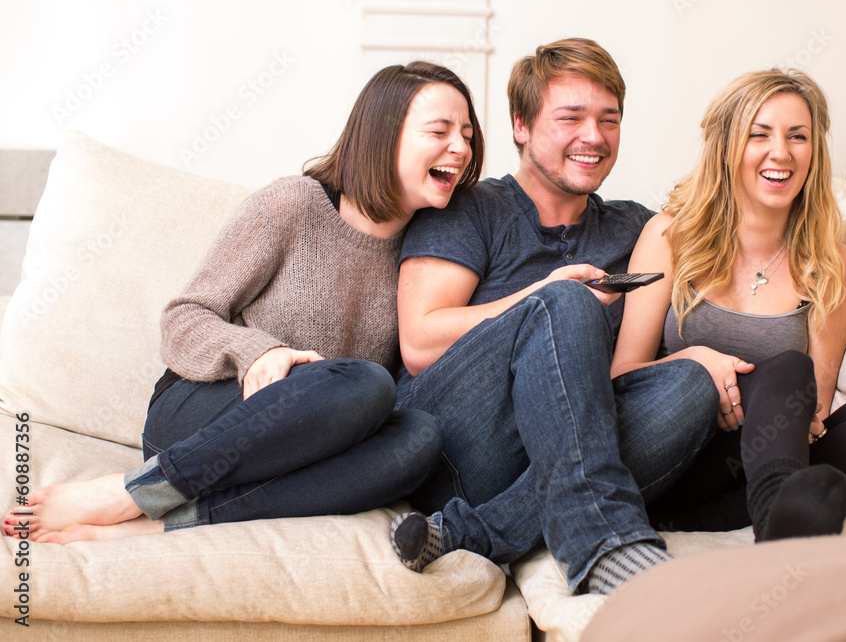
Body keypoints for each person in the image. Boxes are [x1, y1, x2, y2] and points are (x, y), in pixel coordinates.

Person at [5, 61, 485, 544]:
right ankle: (134, 491)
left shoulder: (430, 257)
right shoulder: (294, 204)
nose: (461, 148)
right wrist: (258, 351)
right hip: (207, 416)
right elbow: (183, 318)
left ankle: (163, 520)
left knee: (420, 438)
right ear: (383, 136)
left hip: (305, 447)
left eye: (467, 133)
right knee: (366, 382)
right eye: (439, 131)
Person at [387, 38, 720, 595]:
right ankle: (605, 544)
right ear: (520, 125)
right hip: (456, 448)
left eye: (608, 120)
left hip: (555, 458)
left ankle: (478, 535)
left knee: (693, 382)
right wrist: (542, 294)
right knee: (564, 301)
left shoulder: (634, 229)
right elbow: (419, 343)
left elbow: (746, 244)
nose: (593, 137)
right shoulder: (470, 208)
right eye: (571, 117)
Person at [611, 68, 846, 540]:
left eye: (797, 136)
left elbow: (815, 408)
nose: (780, 152)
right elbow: (621, 376)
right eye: (759, 134)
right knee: (786, 371)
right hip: (674, 452)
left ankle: (771, 515)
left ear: (814, 153)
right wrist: (697, 364)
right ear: (725, 147)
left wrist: (767, 410)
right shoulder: (669, 236)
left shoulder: (833, 264)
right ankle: (773, 510)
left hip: (764, 448)